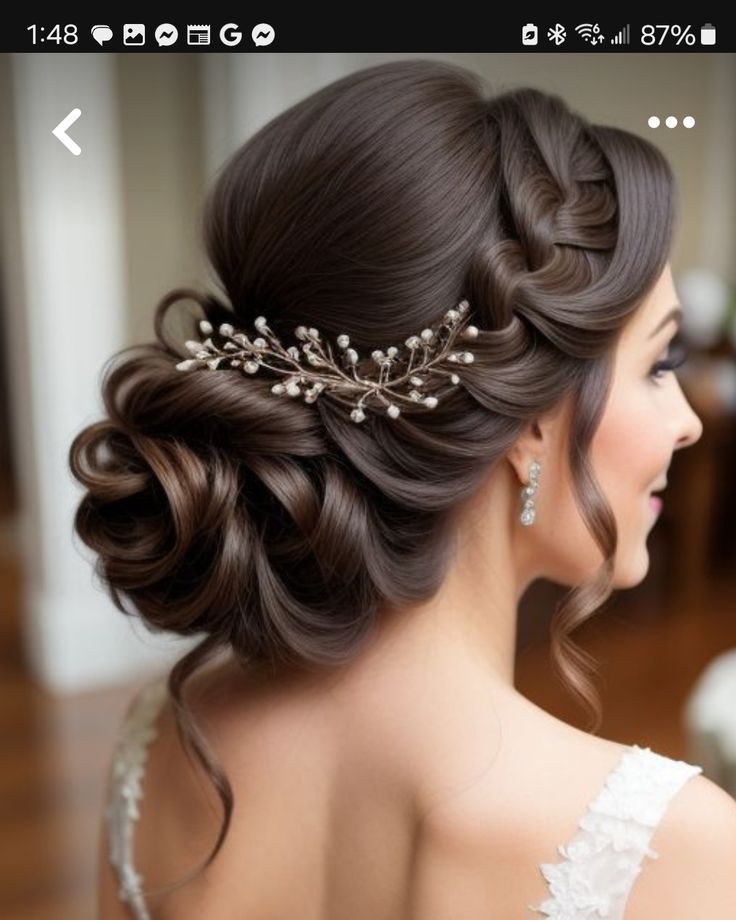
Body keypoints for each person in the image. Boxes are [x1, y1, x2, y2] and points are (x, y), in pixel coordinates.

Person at [69, 58, 736, 918]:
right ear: (529, 421)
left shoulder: (158, 739)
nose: (685, 420)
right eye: (659, 363)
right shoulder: (679, 853)